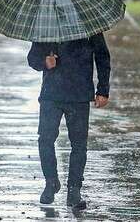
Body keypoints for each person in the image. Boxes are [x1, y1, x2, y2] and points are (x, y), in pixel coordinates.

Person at [27, 33, 111, 209]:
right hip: (51, 94)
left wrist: (103, 89)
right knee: (45, 139)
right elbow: (32, 58)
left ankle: (74, 190)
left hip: (79, 95)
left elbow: (102, 55)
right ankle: (51, 182)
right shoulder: (47, 25)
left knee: (79, 144)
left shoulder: (88, 24)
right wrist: (45, 62)